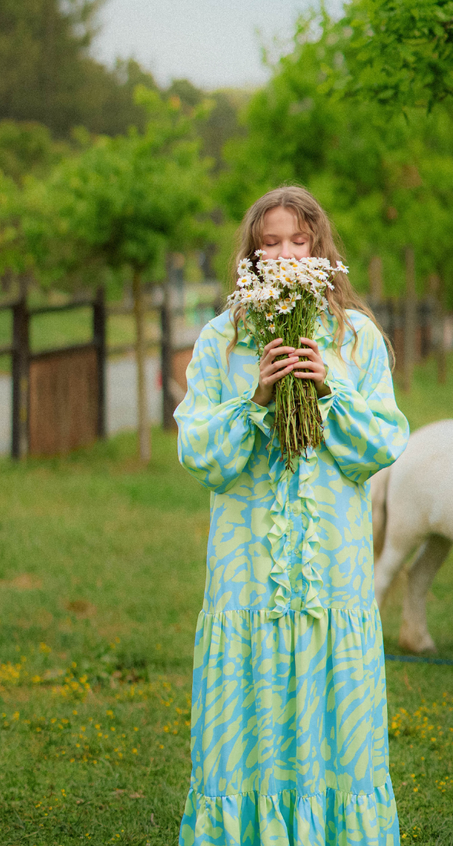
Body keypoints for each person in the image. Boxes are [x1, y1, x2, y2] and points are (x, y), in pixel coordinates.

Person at [174, 186, 409, 846]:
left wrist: (327, 388)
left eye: (299, 241)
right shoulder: (221, 341)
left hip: (331, 575)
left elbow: (382, 446)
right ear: (251, 256)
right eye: (270, 242)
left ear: (320, 249)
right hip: (245, 575)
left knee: (336, 725)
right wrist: (256, 399)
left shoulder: (354, 338)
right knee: (247, 720)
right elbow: (200, 454)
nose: (285, 253)